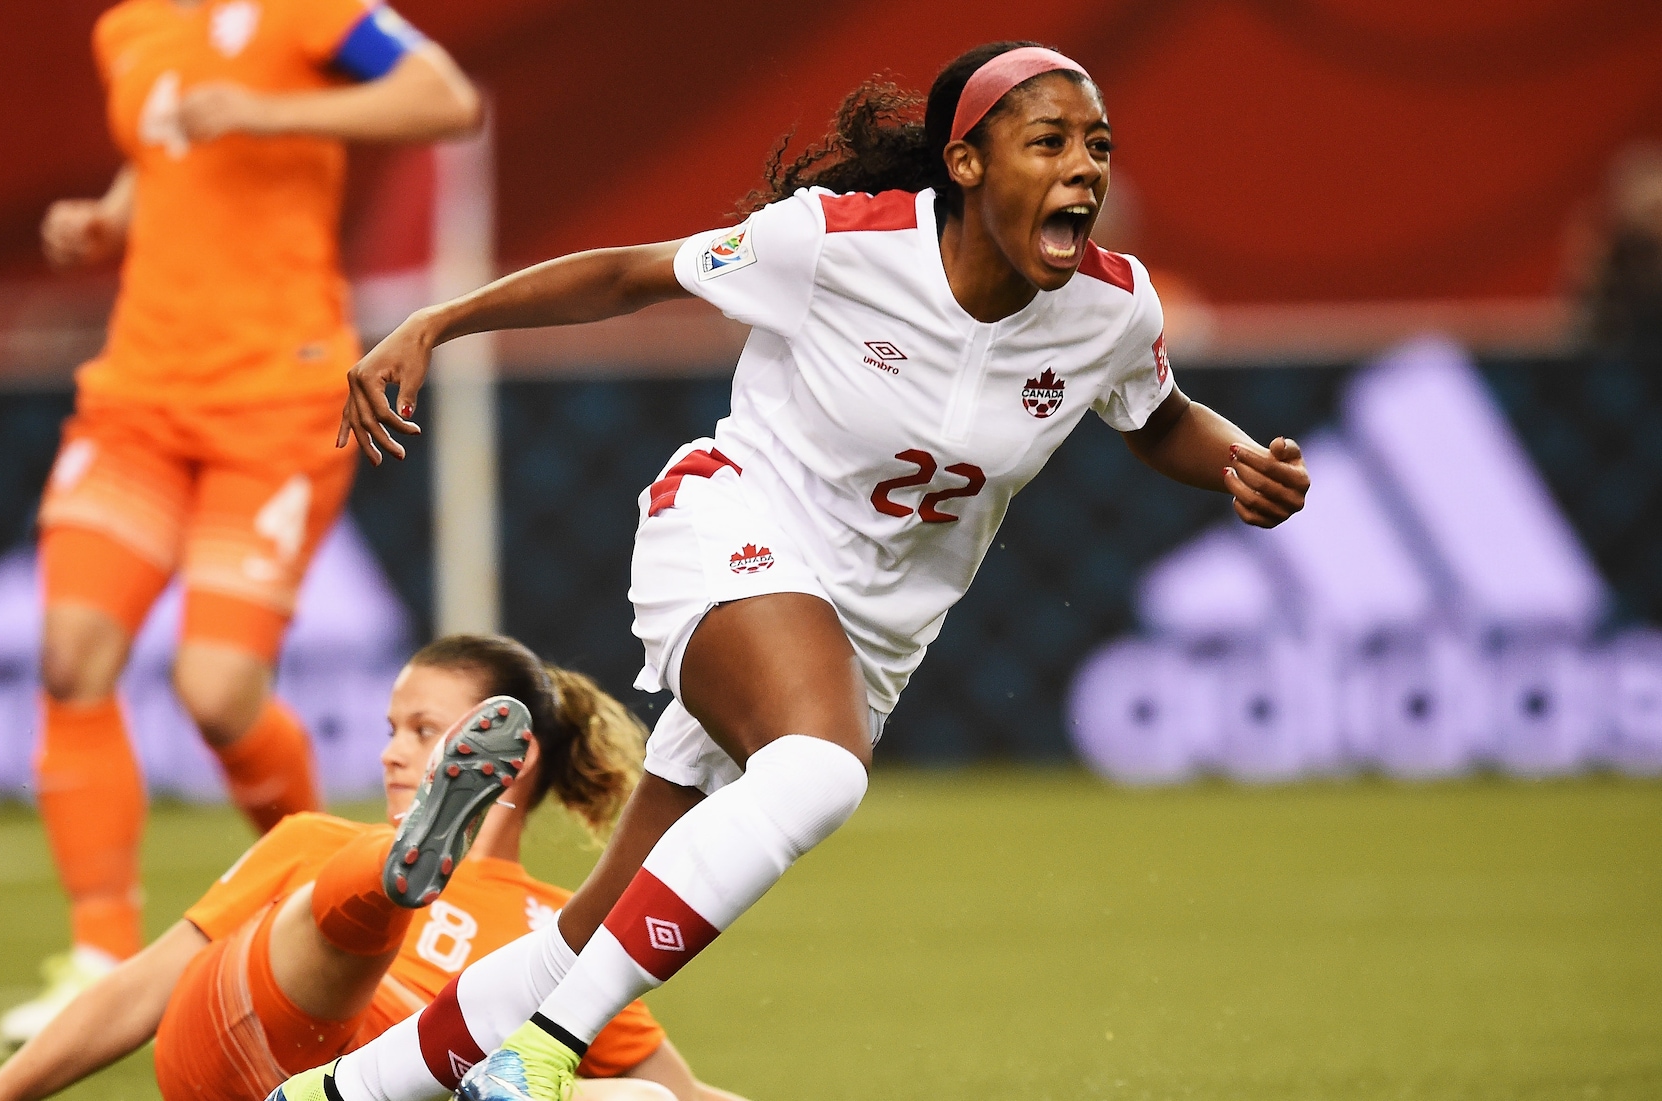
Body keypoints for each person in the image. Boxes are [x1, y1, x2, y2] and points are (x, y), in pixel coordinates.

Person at [273, 40, 1312, 1101]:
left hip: (866, 635)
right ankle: (539, 1058)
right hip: (728, 527)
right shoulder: (833, 244)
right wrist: (438, 321)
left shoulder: (1110, 306)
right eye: (1046, 141)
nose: (1083, 168)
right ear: (964, 162)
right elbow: (629, 276)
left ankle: (334, 1096)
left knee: (588, 926)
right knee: (819, 771)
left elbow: (1156, 417)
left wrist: (1235, 462)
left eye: (1096, 146)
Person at [2, 0, 483, 1041]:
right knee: (68, 653)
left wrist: (262, 109)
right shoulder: (126, 28)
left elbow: (446, 97)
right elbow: (172, 151)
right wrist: (113, 213)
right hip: (137, 393)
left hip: (275, 393)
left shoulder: (309, 10)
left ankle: (339, 905)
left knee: (216, 695)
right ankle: (94, 954)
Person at [0, 635, 748, 1101]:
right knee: (339, 889)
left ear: (513, 759)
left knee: (642, 1099)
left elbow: (684, 1092)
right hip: (240, 1052)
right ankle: (394, 874)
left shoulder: (563, 923)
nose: (389, 750)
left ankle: (399, 884)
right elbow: (143, 988)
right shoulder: (312, 838)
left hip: (395, 1086)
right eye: (391, 729)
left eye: (422, 729)